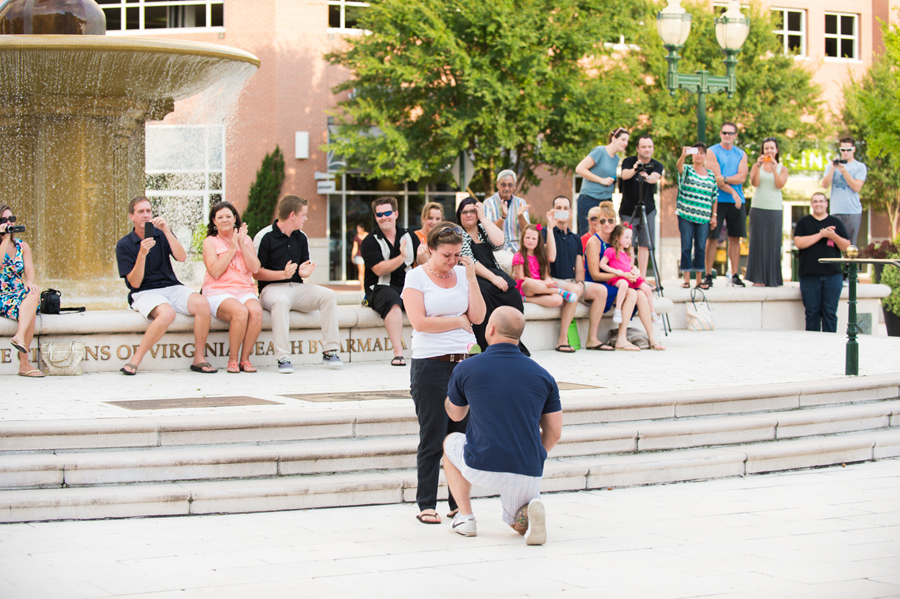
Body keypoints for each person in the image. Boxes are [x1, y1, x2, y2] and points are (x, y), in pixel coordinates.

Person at [442, 306, 562, 544]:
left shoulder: (466, 368)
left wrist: (450, 398)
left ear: (491, 329)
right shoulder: (543, 375)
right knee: (515, 523)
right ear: (519, 334)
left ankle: (465, 518)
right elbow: (554, 432)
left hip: (481, 465)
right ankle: (528, 515)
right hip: (526, 467)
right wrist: (536, 456)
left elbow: (456, 415)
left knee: (450, 442)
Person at [401, 222, 485, 525]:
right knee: (433, 434)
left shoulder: (463, 273)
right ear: (431, 250)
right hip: (430, 364)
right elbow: (420, 323)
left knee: (461, 436)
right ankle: (426, 502)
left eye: (455, 255)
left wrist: (472, 277)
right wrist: (456, 322)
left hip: (463, 364)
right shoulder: (416, 277)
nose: (451, 261)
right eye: (446, 255)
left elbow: (477, 316)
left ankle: (456, 502)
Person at [115, 196, 216, 375]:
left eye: (148, 211)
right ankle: (135, 360)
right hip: (144, 291)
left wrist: (167, 230)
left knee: (202, 304)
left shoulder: (160, 233)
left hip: (171, 286)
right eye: (140, 212)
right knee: (167, 312)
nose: (146, 215)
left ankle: (199, 358)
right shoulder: (124, 245)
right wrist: (142, 253)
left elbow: (182, 257)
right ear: (131, 216)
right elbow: (135, 283)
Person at [254, 195, 343, 372]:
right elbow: (256, 272)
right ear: (292, 215)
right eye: (303, 215)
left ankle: (330, 350)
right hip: (270, 290)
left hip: (296, 287)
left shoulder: (301, 237)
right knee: (281, 301)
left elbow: (303, 267)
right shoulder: (264, 237)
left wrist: (303, 272)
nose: (306, 219)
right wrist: (282, 274)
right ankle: (283, 357)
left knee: (329, 295)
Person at [584, 203, 664, 351]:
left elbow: (627, 263)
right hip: (598, 283)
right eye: (602, 221)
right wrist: (622, 275)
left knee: (641, 294)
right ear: (597, 223)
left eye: (610, 220)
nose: (607, 224)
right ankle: (621, 338)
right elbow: (595, 274)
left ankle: (651, 337)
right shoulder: (595, 241)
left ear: (616, 221)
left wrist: (633, 272)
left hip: (618, 282)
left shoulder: (620, 241)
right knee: (632, 292)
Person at [456, 197, 527, 354]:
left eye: (472, 211)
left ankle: (511, 342)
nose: (468, 215)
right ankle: (486, 346)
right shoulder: (459, 233)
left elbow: (501, 242)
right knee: (484, 297)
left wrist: (483, 218)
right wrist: (493, 278)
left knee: (513, 295)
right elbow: (471, 261)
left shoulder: (483, 230)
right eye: (464, 212)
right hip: (474, 276)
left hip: (493, 271)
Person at [361, 196, 427, 366]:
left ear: (396, 213)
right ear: (375, 217)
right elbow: (379, 269)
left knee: (430, 298)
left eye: (387, 213)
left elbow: (423, 262)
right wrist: (402, 257)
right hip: (379, 287)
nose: (384, 217)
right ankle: (398, 353)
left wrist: (422, 255)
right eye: (379, 214)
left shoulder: (409, 235)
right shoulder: (370, 241)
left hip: (407, 285)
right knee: (393, 301)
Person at [201, 201, 262, 374]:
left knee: (256, 312)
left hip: (244, 289)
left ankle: (245, 359)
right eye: (220, 217)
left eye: (228, 216)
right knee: (240, 312)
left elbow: (255, 268)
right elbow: (215, 272)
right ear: (214, 221)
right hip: (218, 290)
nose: (225, 220)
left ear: (235, 218)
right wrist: (232, 249)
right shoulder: (210, 242)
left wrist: (241, 244)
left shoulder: (246, 239)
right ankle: (233, 360)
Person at [542, 195, 608, 353]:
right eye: (558, 208)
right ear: (553, 211)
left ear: (570, 212)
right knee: (574, 290)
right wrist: (550, 227)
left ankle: (592, 339)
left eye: (565, 208)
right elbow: (550, 256)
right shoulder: (545, 233)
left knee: (601, 291)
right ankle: (562, 340)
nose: (562, 211)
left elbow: (579, 268)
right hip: (553, 280)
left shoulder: (576, 238)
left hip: (571, 281)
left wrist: (580, 282)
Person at [793, 192, 851, 332]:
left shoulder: (836, 223)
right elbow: (799, 243)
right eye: (815, 201)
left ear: (826, 204)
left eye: (821, 201)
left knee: (830, 313)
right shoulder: (803, 222)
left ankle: (830, 345)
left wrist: (832, 236)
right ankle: (813, 346)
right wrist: (820, 235)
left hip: (833, 275)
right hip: (809, 275)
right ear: (811, 204)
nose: (818, 204)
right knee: (812, 313)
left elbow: (847, 247)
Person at [0, 204, 43, 377]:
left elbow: (29, 271)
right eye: (4, 220)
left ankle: (19, 335)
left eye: (12, 219)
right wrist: (4, 239)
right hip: (2, 295)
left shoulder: (22, 246)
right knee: (30, 309)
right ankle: (24, 364)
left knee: (34, 294)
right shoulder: (3, 244)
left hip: (18, 293)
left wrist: (30, 283)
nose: (9, 222)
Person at [706, 122, 749, 288]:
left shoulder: (741, 154)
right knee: (712, 238)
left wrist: (725, 179)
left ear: (735, 135)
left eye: (731, 133)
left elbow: (742, 177)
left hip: (737, 202)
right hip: (717, 200)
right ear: (720, 134)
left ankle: (735, 275)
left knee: (735, 238)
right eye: (724, 133)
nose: (727, 136)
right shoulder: (712, 151)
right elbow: (715, 179)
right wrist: (733, 191)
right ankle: (708, 274)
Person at [599, 224, 660, 334]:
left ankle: (652, 313)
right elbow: (602, 264)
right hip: (619, 278)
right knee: (623, 284)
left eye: (631, 237)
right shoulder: (611, 251)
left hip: (629, 277)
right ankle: (617, 310)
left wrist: (635, 268)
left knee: (646, 288)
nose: (629, 240)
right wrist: (615, 271)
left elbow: (628, 266)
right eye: (626, 237)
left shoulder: (627, 253)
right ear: (617, 238)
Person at [618, 135, 664, 279]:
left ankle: (642, 278)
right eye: (643, 147)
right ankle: (630, 275)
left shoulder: (657, 165)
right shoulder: (628, 161)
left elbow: (654, 178)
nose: (647, 150)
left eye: (650, 147)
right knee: (627, 244)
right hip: (628, 210)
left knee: (645, 244)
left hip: (647, 210)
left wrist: (646, 177)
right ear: (638, 149)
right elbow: (624, 175)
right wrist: (635, 169)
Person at [746, 137, 789, 287]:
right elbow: (755, 183)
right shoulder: (756, 166)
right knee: (757, 242)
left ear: (776, 150)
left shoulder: (782, 168)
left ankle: (772, 279)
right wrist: (758, 166)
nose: (769, 151)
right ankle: (757, 278)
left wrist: (774, 168)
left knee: (773, 243)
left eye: (772, 148)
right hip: (758, 208)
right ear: (762, 151)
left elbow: (779, 184)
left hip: (774, 209)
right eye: (766, 148)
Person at [675, 143, 718, 289]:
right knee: (686, 246)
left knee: (700, 247)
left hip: (704, 217)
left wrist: (714, 216)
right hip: (686, 214)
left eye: (702, 153)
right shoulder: (687, 169)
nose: (699, 155)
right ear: (693, 155)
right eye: (696, 152)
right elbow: (678, 167)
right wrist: (683, 155)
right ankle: (687, 279)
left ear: (705, 155)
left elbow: (714, 197)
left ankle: (699, 280)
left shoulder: (711, 175)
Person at [575, 127, 629, 236]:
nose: (626, 143)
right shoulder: (600, 151)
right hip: (589, 199)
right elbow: (580, 169)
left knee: (607, 234)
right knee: (588, 234)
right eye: (623, 139)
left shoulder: (616, 159)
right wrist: (602, 180)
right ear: (614, 138)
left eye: (627, 141)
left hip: (606, 201)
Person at [512, 224, 578, 306]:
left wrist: (548, 281)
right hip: (526, 287)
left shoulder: (542, 256)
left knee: (558, 299)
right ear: (522, 239)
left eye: (534, 238)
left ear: (538, 240)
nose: (530, 241)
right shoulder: (518, 255)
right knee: (529, 282)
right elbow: (521, 278)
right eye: (527, 238)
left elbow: (546, 275)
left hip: (541, 287)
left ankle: (525, 299)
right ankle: (559, 291)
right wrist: (543, 282)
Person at [820, 136, 867, 247]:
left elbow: (856, 187)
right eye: (843, 150)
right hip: (836, 211)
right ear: (840, 149)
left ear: (854, 149)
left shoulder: (859, 167)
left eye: (848, 150)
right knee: (832, 244)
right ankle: (836, 265)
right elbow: (824, 185)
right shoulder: (831, 166)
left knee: (851, 246)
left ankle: (849, 265)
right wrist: (832, 169)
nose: (845, 153)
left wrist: (844, 171)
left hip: (852, 211)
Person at [482, 170, 529, 273]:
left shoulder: (521, 203)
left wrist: (520, 216)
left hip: (519, 247)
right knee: (511, 263)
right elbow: (487, 232)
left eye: (510, 185)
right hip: (498, 249)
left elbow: (527, 231)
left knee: (530, 264)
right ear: (497, 184)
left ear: (515, 186)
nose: (507, 188)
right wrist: (502, 217)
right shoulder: (488, 203)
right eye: (503, 184)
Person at [350, 223, 368, 290]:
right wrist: (352, 256)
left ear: (362, 228)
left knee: (368, 272)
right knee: (361, 272)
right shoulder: (356, 237)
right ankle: (362, 287)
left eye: (359, 228)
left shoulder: (368, 235)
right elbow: (355, 247)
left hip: (368, 256)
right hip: (359, 256)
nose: (358, 230)